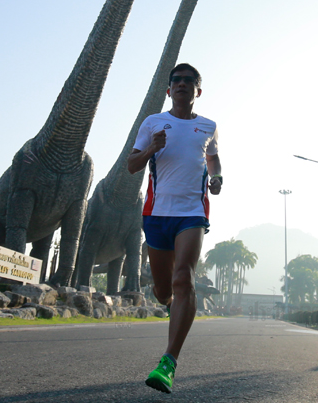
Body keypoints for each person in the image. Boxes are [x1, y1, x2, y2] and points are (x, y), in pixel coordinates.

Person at [127, 63, 222, 394]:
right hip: (156, 214)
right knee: (163, 291)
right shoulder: (153, 123)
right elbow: (131, 165)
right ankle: (170, 301)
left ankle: (168, 362)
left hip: (192, 213)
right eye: (176, 80)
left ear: (197, 90)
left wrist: (216, 176)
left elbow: (213, 158)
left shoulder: (208, 126)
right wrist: (153, 147)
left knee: (185, 279)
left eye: (189, 81)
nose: (182, 84)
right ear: (169, 90)